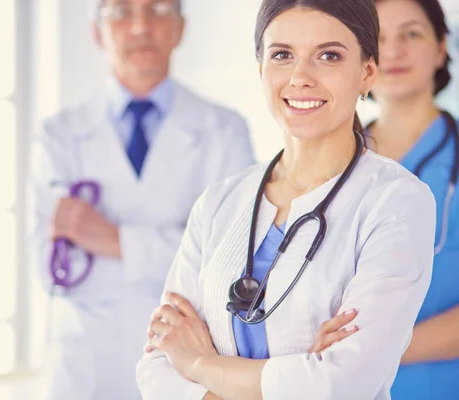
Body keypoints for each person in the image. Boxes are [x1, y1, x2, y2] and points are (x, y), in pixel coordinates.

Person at [136, 0, 436, 399]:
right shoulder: (219, 202)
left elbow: (341, 383)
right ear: (261, 70)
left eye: (328, 56)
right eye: (282, 55)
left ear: (367, 73)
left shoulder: (397, 202)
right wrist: (295, 378)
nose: (300, 76)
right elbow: (158, 361)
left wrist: (198, 364)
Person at [27, 0, 255, 399]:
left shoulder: (225, 130)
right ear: (97, 32)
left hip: (185, 366)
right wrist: (178, 247)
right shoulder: (57, 136)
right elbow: (51, 269)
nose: (140, 27)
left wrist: (113, 241)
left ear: (181, 29)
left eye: (158, 10)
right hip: (84, 365)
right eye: (121, 13)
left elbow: (229, 262)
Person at [321, 1, 459, 398]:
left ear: (440, 48)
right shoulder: (328, 159)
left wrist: (374, 351)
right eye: (379, 38)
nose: (394, 50)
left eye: (411, 34)